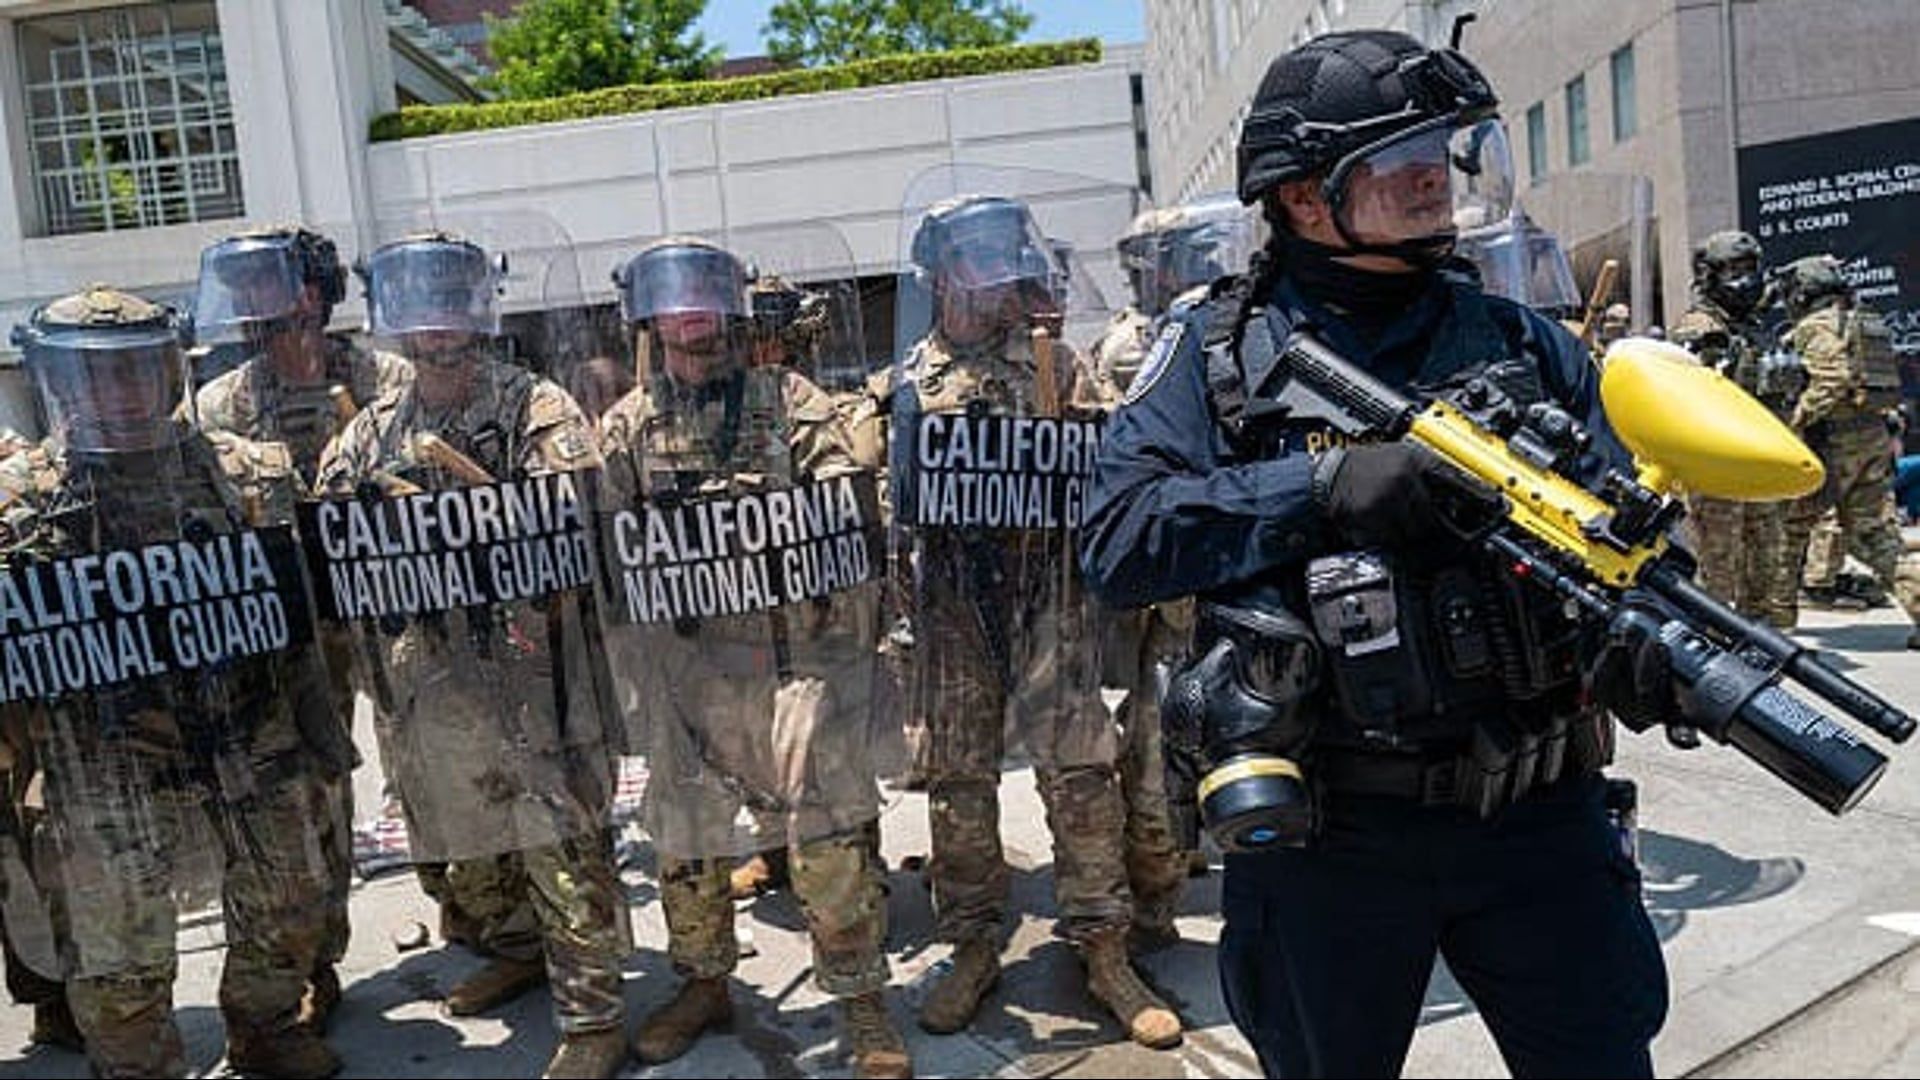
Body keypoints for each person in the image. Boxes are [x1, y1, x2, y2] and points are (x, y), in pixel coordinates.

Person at [1079, 31, 1669, 1077]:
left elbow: (1626, 543)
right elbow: (1119, 540)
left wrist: (1650, 637)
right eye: (1400, 159)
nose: (1434, 177)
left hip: (1541, 815)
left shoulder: (1524, 343)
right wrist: (1317, 489)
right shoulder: (1216, 357)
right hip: (1330, 837)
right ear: (1306, 197)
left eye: (1442, 152)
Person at [868, 192, 1183, 1049]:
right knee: (959, 789)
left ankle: (1105, 950)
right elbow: (878, 508)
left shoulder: (1060, 365)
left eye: (1004, 257)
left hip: (1050, 605)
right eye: (975, 258)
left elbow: (1111, 467)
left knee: (1081, 778)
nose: (995, 276)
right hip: (953, 616)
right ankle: (972, 947)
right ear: (939, 274)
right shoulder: (905, 385)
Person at [3, 286, 344, 1078]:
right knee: (117, 948)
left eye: (135, 369)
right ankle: (138, 1065)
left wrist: (322, 735)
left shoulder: (247, 473)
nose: (117, 392)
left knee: (290, 896)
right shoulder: (19, 504)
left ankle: (264, 1027)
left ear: (167, 370)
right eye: (92, 374)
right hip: (101, 757)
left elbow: (303, 619)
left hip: (246, 732)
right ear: (58, 380)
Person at [313, 233, 629, 1079]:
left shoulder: (536, 407)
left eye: (450, 300)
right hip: (430, 691)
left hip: (533, 681)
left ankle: (594, 1016)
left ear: (478, 310)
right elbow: (332, 550)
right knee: (472, 854)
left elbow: (574, 525)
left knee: (564, 850)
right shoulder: (368, 432)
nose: (436, 323)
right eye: (418, 305)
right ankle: (519, 951)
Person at [597, 237, 909, 1078]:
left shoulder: (790, 402)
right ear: (651, 322)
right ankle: (704, 983)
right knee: (685, 838)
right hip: (687, 666)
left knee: (827, 829)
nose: (693, 324)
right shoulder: (627, 426)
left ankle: (859, 994)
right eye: (676, 310)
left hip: (787, 659)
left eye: (707, 305)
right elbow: (603, 550)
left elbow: (847, 509)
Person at [190, 225, 413, 1031]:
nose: (257, 309)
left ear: (316, 295)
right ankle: (319, 959)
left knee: (425, 759)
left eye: (273, 288)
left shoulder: (382, 377)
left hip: (388, 606)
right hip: (294, 626)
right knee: (318, 787)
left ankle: (487, 918)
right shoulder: (222, 402)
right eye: (245, 293)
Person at [1096, 196, 1262, 925]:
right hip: (1165, 579)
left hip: (1222, 557)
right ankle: (1155, 891)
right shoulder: (1138, 344)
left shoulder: (1227, 319)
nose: (1202, 265)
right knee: (1155, 741)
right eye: (1185, 256)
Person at [1770, 254, 1918, 641]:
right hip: (1871, 438)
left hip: (1831, 444)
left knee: (1788, 531)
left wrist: (1794, 421)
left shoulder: (1815, 327)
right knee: (1875, 536)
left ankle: (1774, 627)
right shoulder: (1860, 321)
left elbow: (1831, 380)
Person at [1672, 230, 1793, 626]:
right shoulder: (1700, 327)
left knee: (1765, 559)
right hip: (1718, 469)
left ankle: (1761, 634)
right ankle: (1715, 637)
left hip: (1759, 461)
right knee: (1718, 567)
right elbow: (1693, 399)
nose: (1745, 280)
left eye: (1749, 269)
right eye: (1732, 271)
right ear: (1709, 277)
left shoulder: (1753, 327)